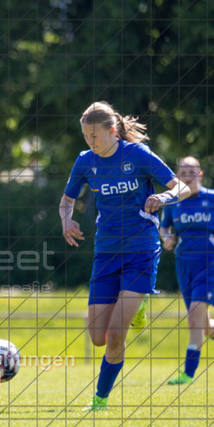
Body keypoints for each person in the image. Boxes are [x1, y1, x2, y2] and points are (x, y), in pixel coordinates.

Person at [59, 102, 191, 411]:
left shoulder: (137, 154)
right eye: (85, 136)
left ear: (113, 132)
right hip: (106, 253)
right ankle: (136, 303)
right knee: (98, 338)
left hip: (140, 250)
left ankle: (99, 400)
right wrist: (66, 220)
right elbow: (67, 200)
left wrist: (163, 196)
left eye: (95, 136)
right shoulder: (85, 161)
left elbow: (182, 188)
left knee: (117, 335)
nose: (90, 142)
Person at [160, 156, 214, 385]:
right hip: (184, 265)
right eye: (183, 172)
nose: (188, 176)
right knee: (205, 326)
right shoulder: (174, 202)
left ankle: (188, 374)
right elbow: (164, 228)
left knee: (193, 319)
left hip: (209, 265)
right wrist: (166, 239)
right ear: (177, 176)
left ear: (200, 174)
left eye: (192, 172)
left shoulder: (211, 198)